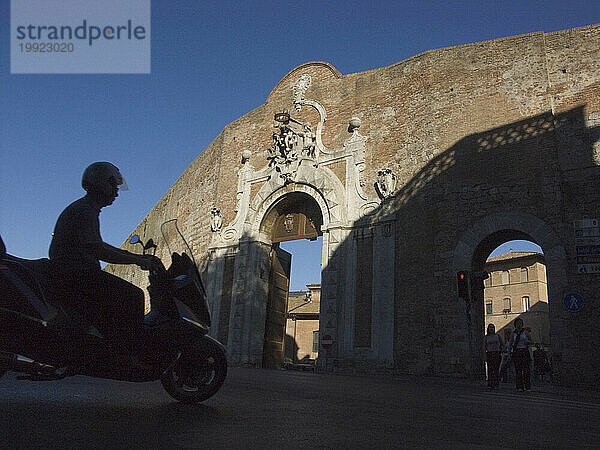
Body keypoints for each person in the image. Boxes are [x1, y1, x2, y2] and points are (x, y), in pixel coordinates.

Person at [49, 162, 161, 353]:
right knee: (133, 296)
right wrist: (138, 259)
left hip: (73, 273)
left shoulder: (85, 209)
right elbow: (99, 250)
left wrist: (132, 256)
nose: (116, 193)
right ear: (102, 184)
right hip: (76, 275)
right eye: (114, 187)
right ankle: (127, 353)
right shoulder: (84, 210)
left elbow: (98, 246)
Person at [510, 318, 533, 392]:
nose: (519, 325)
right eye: (517, 323)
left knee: (526, 370)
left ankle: (527, 387)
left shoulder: (525, 332)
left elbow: (532, 341)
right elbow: (510, 344)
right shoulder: (513, 334)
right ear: (515, 325)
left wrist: (528, 342)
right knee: (518, 370)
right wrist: (510, 352)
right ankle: (519, 386)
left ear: (522, 324)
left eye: (520, 323)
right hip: (517, 352)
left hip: (524, 351)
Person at [484, 323, 503, 389]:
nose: (491, 329)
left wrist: (501, 350)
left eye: (492, 327)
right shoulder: (486, 337)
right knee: (490, 369)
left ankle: (496, 383)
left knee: (496, 369)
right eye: (490, 328)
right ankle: (490, 384)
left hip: (496, 353)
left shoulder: (497, 336)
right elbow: (484, 346)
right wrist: (485, 355)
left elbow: (502, 343)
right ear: (488, 329)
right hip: (489, 353)